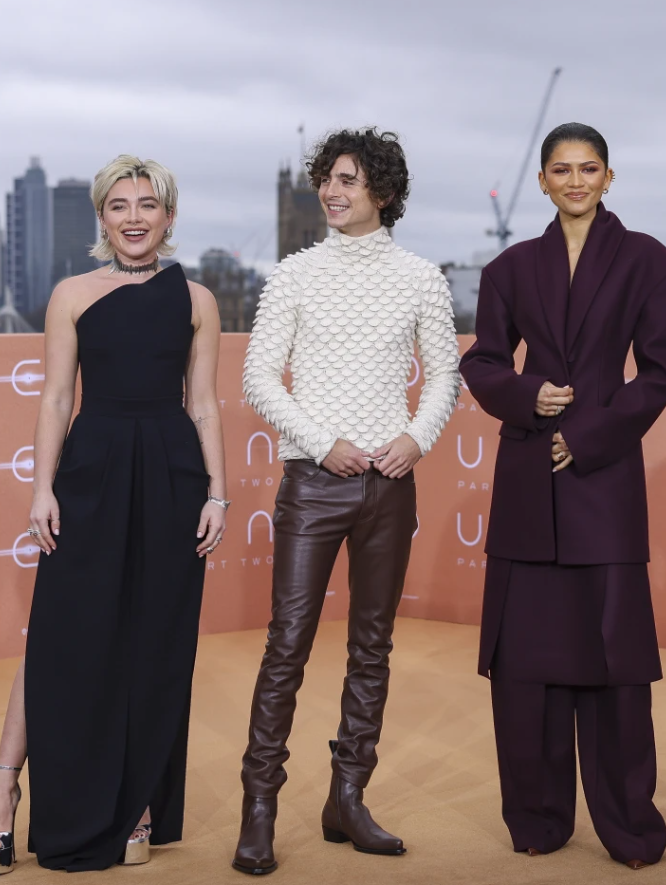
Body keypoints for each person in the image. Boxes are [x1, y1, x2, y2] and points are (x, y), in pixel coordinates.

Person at [0, 155, 227, 874]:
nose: (134, 218)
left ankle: (135, 798)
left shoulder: (198, 300)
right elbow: (57, 397)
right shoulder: (73, 295)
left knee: (154, 640)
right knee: (60, 637)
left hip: (172, 474)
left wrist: (218, 493)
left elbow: (204, 403)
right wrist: (42, 488)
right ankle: (3, 793)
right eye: (120, 205)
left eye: (148, 204)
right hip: (91, 471)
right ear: (102, 217)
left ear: (168, 217)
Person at [459, 123, 666, 870]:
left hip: (602, 476)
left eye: (590, 168)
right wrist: (528, 396)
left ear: (609, 177)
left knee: (615, 663)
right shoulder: (509, 267)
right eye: (562, 169)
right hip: (527, 475)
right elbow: (484, 361)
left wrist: (586, 436)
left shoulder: (650, 261)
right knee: (524, 667)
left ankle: (630, 827)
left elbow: (659, 371)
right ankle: (537, 818)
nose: (577, 181)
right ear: (544, 181)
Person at [233, 128, 460, 876]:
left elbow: (444, 376)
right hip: (313, 482)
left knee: (372, 646)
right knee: (287, 643)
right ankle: (259, 809)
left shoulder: (422, 278)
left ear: (383, 193)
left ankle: (348, 798)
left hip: (390, 486)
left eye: (348, 180)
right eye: (327, 179)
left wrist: (416, 438)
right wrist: (321, 441)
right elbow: (259, 377)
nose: (331, 191)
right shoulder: (293, 275)